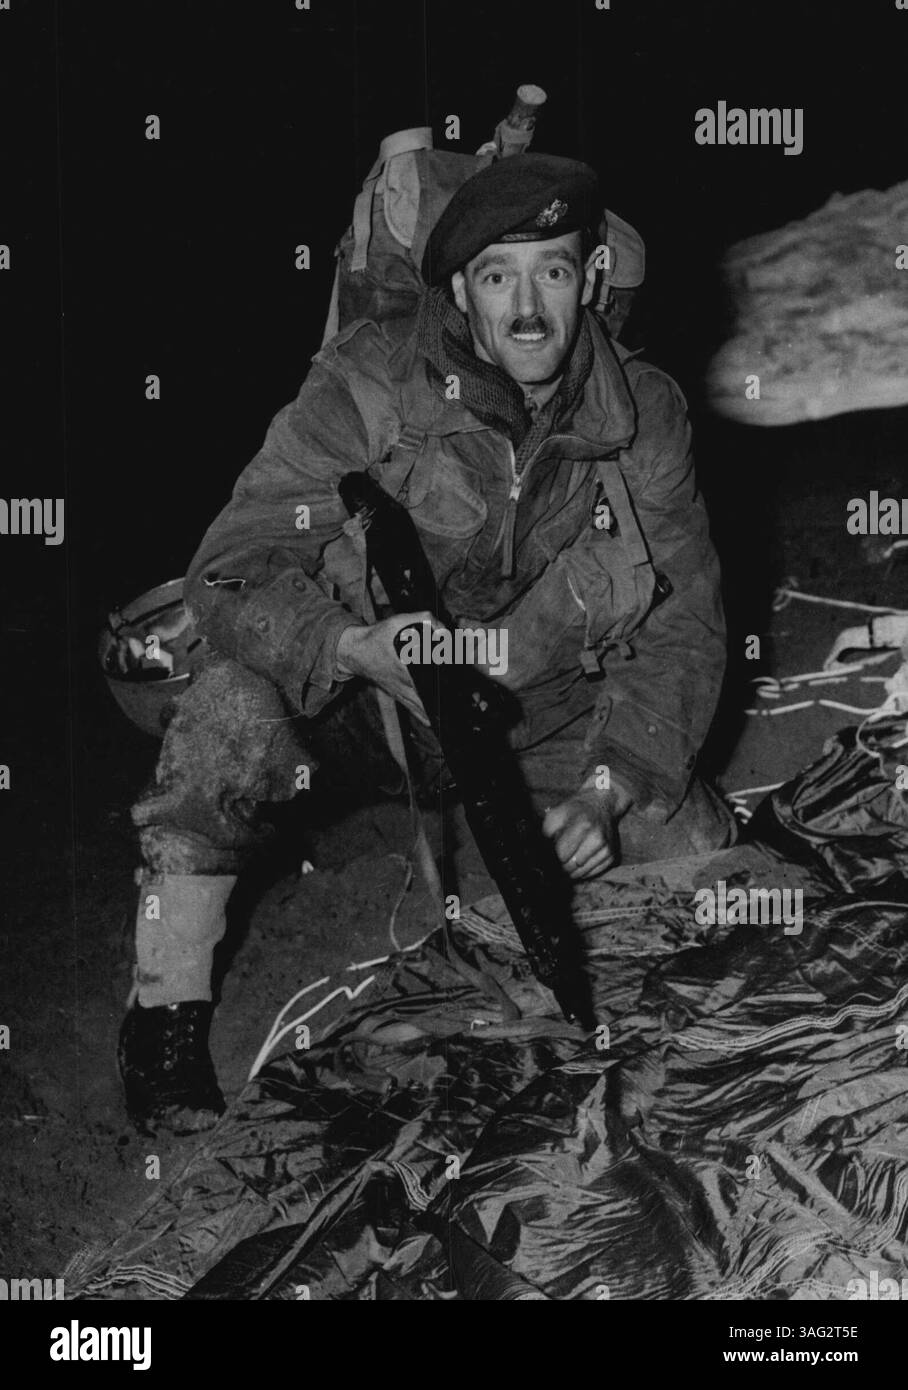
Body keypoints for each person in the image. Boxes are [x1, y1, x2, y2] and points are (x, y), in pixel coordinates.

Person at [118, 153, 734, 1136]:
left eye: (552, 272)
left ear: (591, 280)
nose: (527, 311)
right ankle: (162, 1018)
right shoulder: (368, 385)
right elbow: (229, 567)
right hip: (365, 700)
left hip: (529, 709)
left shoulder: (640, 414)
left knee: (703, 866)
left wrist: (609, 788)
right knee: (226, 708)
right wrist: (351, 643)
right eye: (498, 277)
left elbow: (683, 618)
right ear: (457, 290)